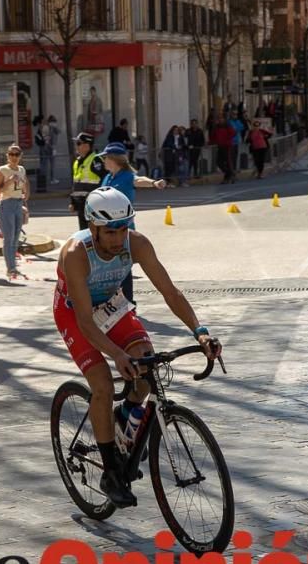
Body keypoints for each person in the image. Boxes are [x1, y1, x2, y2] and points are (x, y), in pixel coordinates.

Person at [52, 187, 222, 507]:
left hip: (113, 306)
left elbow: (170, 292)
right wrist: (116, 355)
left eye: (123, 228)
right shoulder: (76, 252)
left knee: (147, 364)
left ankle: (125, 417)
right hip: (76, 313)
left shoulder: (137, 243)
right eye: (111, 232)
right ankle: (111, 471)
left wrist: (200, 332)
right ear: (93, 228)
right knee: (102, 384)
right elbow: (87, 322)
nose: (118, 239)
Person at [98, 142, 166, 303]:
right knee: (109, 266)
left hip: (122, 228)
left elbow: (138, 180)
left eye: (105, 158)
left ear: (114, 159)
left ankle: (128, 302)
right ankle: (113, 301)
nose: (103, 161)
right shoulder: (108, 177)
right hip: (106, 228)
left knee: (123, 265)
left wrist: (153, 183)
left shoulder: (127, 176)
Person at [0, 144, 30, 280]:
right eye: (11, 154)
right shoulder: (2, 170)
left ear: (20, 156)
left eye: (16, 154)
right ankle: (10, 268)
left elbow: (25, 183)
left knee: (16, 237)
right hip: (6, 204)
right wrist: (9, 181)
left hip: (18, 203)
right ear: (7, 156)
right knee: (8, 238)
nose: (14, 157)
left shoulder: (21, 169)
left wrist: (26, 197)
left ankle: (13, 265)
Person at [71, 132, 106, 230]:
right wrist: (73, 203)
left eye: (78, 143)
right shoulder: (77, 161)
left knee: (94, 232)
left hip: (93, 204)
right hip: (81, 204)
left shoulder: (96, 160)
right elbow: (76, 183)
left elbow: (105, 181)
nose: (76, 146)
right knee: (84, 232)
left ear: (87, 146)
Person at [210, 115, 236, 184]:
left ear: (224, 119)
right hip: (220, 146)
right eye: (219, 119)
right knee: (219, 162)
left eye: (221, 118)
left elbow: (233, 133)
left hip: (227, 146)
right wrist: (210, 142)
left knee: (228, 162)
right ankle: (229, 173)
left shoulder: (228, 126)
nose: (220, 120)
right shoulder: (216, 127)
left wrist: (226, 140)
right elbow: (213, 136)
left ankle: (230, 176)